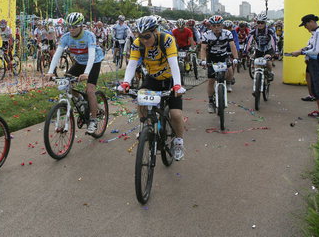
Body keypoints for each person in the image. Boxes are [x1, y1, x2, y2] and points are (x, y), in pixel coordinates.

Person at [119, 15, 186, 160]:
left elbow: (174, 64)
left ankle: (179, 142)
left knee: (175, 114)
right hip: (152, 79)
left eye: (147, 36)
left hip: (170, 80)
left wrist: (177, 85)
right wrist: (126, 82)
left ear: (156, 31)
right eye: (141, 36)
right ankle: (147, 128)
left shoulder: (167, 40)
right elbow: (132, 64)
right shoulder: (138, 43)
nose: (144, 40)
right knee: (141, 101)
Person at [45, 12, 104, 134]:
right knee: (66, 83)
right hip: (80, 62)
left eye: (74, 27)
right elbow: (57, 54)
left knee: (90, 90)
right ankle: (81, 100)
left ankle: (93, 120)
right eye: (69, 26)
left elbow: (92, 55)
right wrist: (50, 72)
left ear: (81, 26)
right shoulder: (66, 37)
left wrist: (86, 73)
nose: (71, 29)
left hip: (94, 62)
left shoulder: (89, 36)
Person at [289, 14, 319, 118]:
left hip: (318, 63)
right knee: (314, 87)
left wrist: (300, 52)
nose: (305, 27)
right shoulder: (314, 33)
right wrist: (302, 50)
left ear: (311, 22)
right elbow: (310, 46)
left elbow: (315, 51)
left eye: (306, 24)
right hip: (312, 63)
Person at [200, 15, 239, 109]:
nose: (216, 28)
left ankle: (228, 82)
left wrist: (236, 58)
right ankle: (210, 101)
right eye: (214, 26)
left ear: (222, 25)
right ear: (210, 26)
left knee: (230, 72)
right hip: (212, 58)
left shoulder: (228, 33)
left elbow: (232, 46)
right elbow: (203, 48)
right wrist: (202, 60)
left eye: (218, 25)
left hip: (223, 56)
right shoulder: (206, 35)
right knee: (211, 81)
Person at [245, 14, 277, 81]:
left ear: (265, 23)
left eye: (262, 23)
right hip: (258, 49)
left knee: (268, 62)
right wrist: (246, 50)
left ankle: (270, 72)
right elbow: (248, 41)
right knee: (257, 64)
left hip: (268, 49)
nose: (260, 24)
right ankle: (257, 80)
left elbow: (274, 41)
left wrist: (275, 52)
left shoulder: (269, 31)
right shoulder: (253, 31)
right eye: (258, 22)